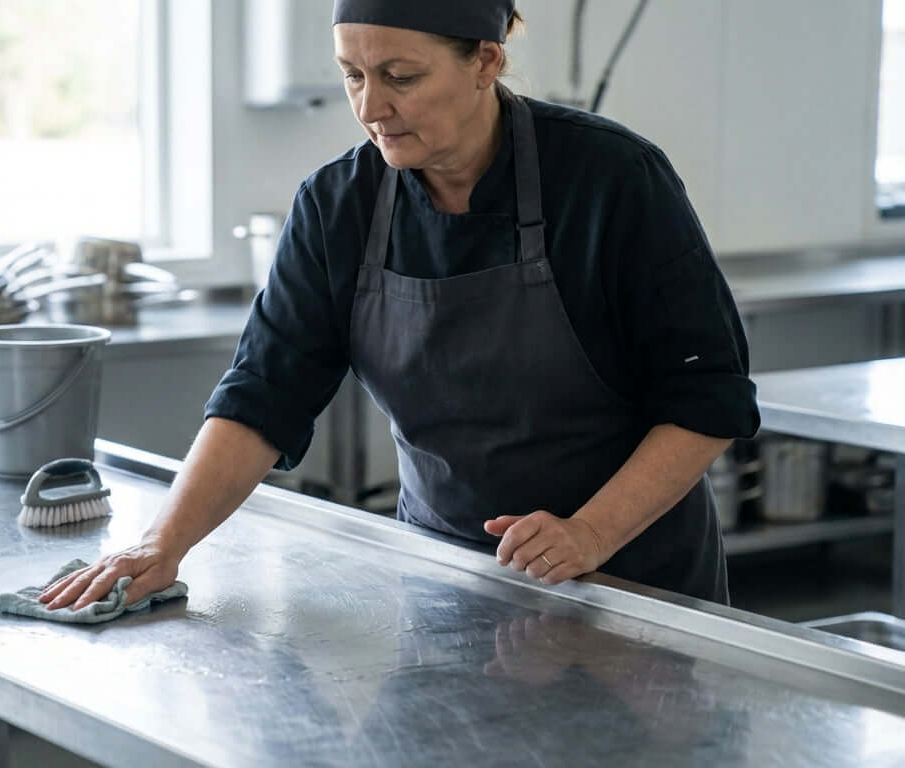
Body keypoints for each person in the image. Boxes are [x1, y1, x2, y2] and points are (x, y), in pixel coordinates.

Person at [40, 0, 758, 611]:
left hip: (632, 586)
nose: (370, 107)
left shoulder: (611, 181)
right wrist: (162, 544)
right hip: (449, 578)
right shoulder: (338, 205)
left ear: (485, 61)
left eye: (400, 77)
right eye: (353, 75)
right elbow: (263, 396)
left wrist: (591, 534)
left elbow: (708, 398)